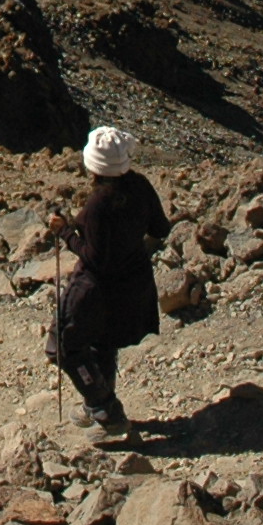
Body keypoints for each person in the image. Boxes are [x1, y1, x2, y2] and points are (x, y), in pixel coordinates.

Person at [48, 125, 170, 431]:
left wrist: (65, 232)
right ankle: (97, 405)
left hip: (96, 287)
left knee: (62, 344)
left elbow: (94, 258)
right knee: (104, 343)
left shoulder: (98, 205)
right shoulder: (140, 186)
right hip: (134, 282)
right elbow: (160, 229)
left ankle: (105, 410)